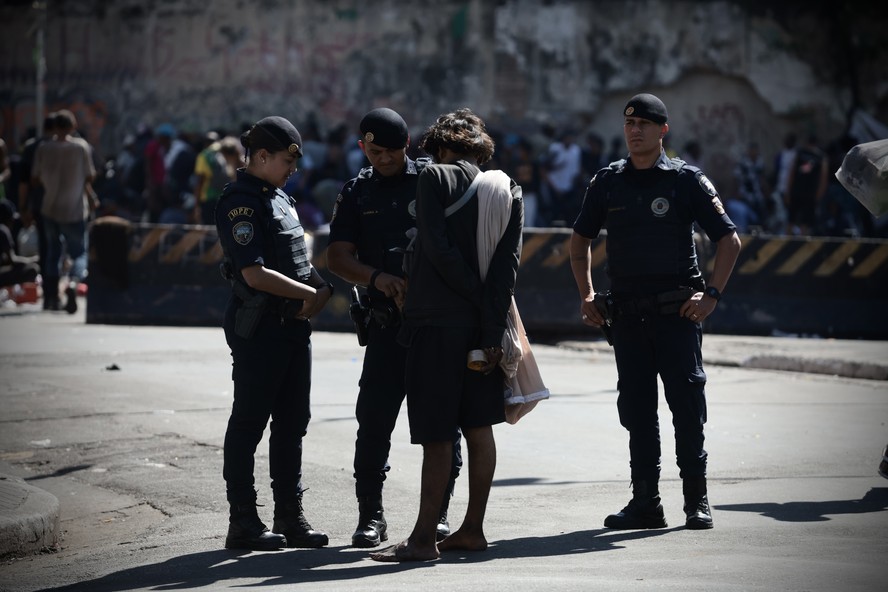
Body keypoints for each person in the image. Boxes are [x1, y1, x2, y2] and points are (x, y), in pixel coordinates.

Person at [569, 93, 741, 531]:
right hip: (626, 319)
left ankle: (696, 501)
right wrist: (588, 295)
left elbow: (729, 240)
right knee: (638, 412)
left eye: (645, 124)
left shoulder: (686, 181)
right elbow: (579, 242)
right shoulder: (608, 181)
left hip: (676, 317)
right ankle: (646, 502)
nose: (635, 130)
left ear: (663, 130)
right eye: (629, 124)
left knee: (686, 407)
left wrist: (712, 297)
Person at [371, 108, 523, 562]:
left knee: (438, 433)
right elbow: (506, 269)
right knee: (478, 426)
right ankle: (472, 530)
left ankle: (422, 540)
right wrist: (491, 324)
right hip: (482, 331)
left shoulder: (433, 178)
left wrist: (471, 297)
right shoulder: (508, 188)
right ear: (481, 150)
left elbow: (437, 249)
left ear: (437, 146)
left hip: (435, 325)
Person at [327, 108, 463, 548]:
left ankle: (439, 514)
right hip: (386, 326)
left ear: (407, 146)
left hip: (432, 324)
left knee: (442, 424)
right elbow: (338, 257)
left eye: (389, 151)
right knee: (373, 422)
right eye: (372, 150)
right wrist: (376, 278)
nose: (380, 159)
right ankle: (371, 516)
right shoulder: (356, 191)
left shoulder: (432, 179)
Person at [214, 116, 332, 551]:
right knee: (249, 423)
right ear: (261, 157)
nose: (292, 170)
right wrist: (314, 295)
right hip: (260, 326)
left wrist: (316, 286)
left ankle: (289, 516)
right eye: (286, 161)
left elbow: (296, 259)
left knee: (291, 424)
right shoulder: (240, 202)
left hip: (293, 326)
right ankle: (243, 520)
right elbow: (255, 273)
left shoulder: (279, 197)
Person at [31, 109, 98, 313]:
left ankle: (51, 296)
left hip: (49, 207)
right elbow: (90, 176)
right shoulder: (80, 148)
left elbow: (35, 177)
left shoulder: (44, 148)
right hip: (74, 209)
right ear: (72, 126)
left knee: (53, 252)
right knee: (79, 252)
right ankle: (73, 283)